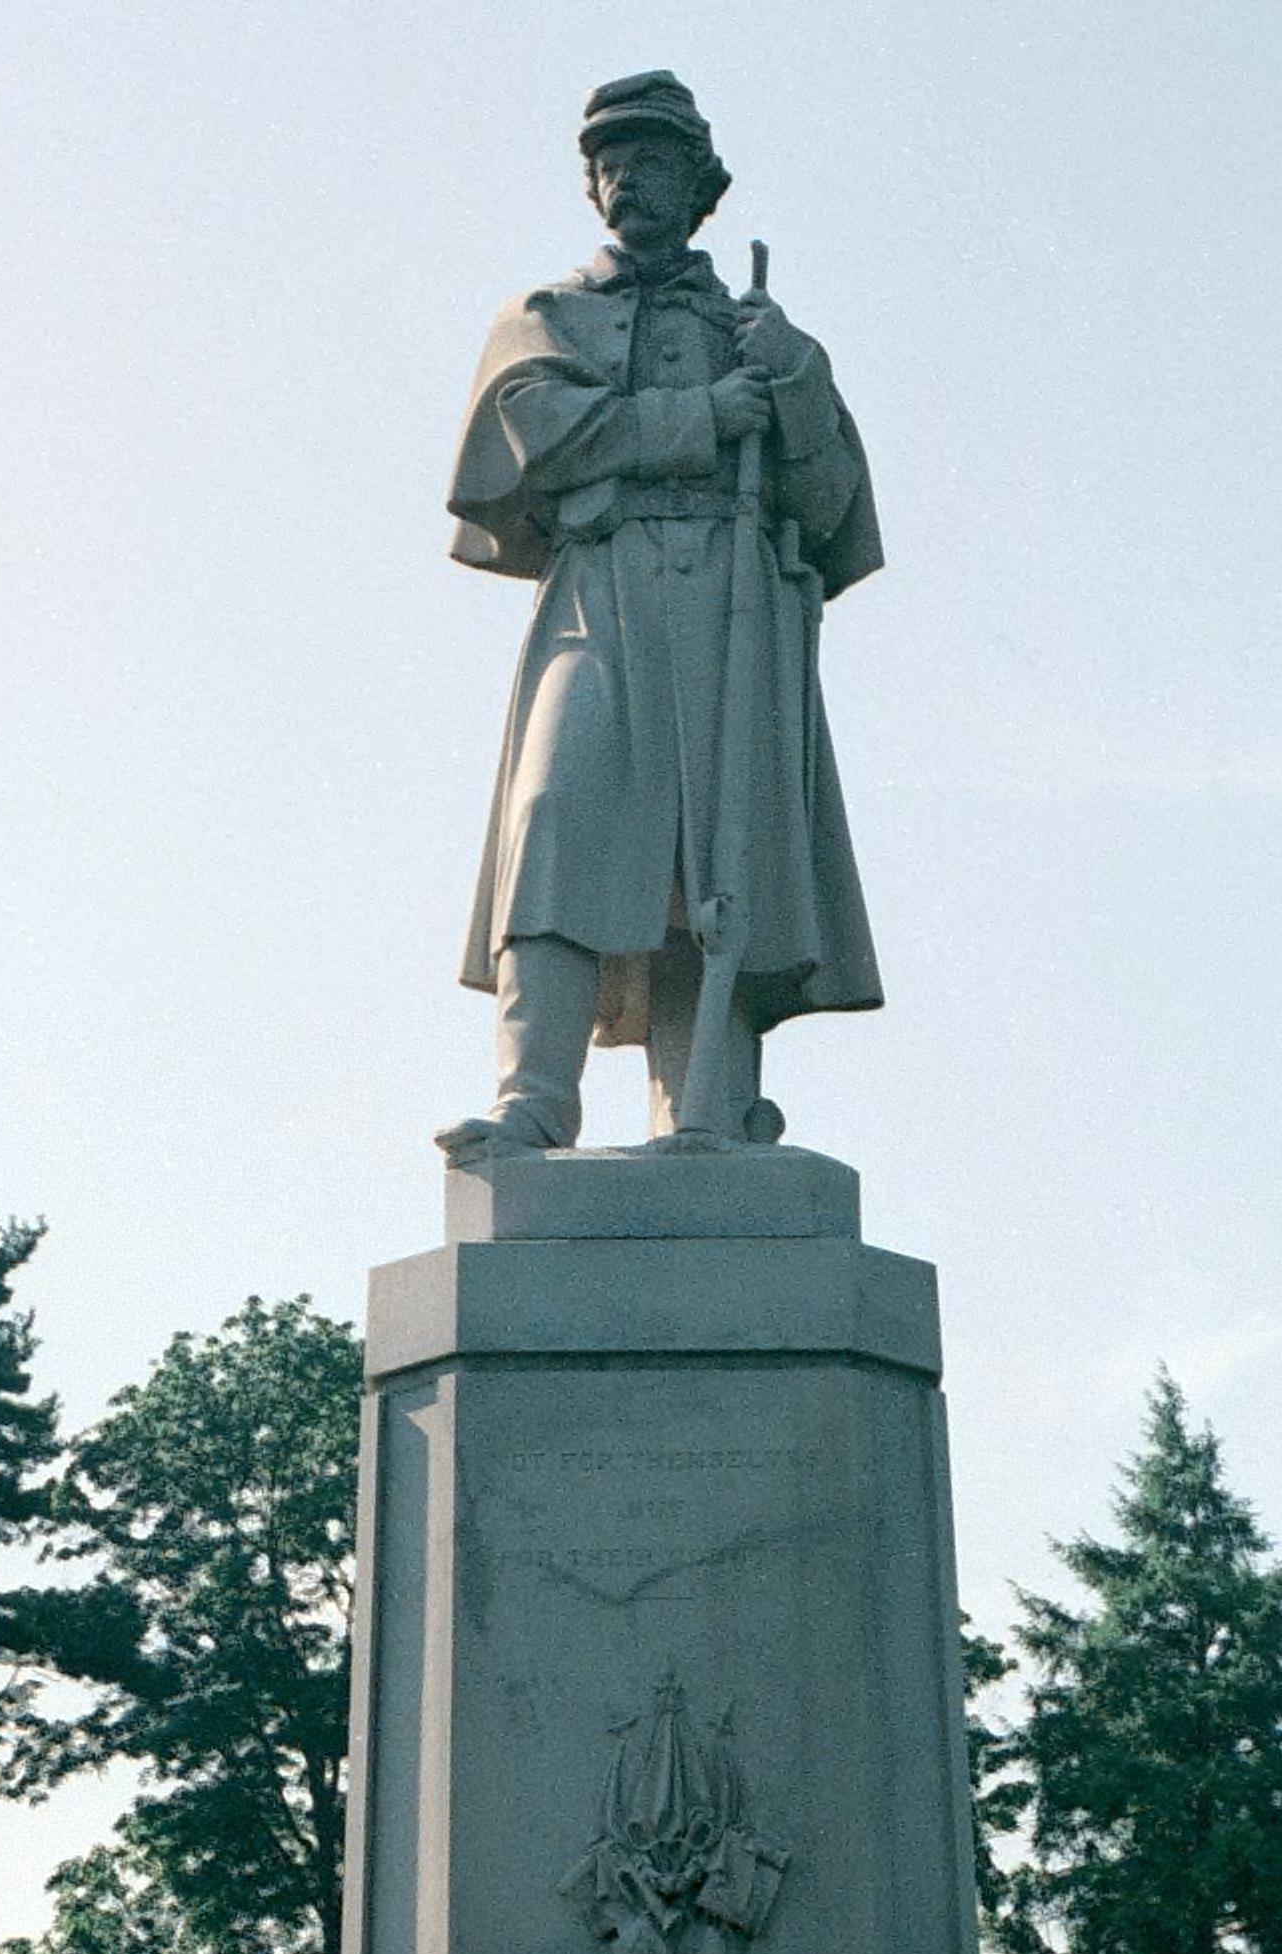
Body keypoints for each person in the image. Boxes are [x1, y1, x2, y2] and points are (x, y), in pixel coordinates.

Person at [437, 72, 882, 1163]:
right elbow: (538, 432)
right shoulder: (547, 319)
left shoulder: (761, 334)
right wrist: (701, 417)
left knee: (717, 859)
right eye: (611, 164)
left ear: (699, 186)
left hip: (737, 606)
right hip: (603, 589)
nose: (628, 180)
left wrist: (795, 383)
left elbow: (833, 507)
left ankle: (704, 1110)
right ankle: (533, 1100)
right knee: (556, 814)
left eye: (652, 161)